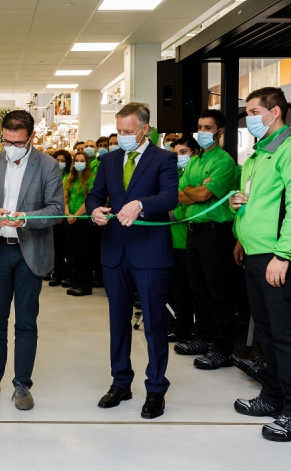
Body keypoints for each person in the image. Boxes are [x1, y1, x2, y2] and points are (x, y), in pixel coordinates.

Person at [230, 87, 291, 442]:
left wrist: (282, 255)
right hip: (257, 255)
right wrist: (240, 221)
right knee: (267, 333)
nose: (250, 117)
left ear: (275, 112)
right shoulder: (258, 156)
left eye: (255, 111)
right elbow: (261, 202)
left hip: (284, 258)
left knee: (289, 335)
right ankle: (273, 397)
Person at [87, 102, 178, 419]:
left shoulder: (164, 159)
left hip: (150, 252)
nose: (122, 137)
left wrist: (140, 203)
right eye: (119, 132)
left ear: (145, 130)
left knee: (153, 323)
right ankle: (120, 382)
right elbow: (95, 194)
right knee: (118, 322)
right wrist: (95, 210)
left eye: (128, 132)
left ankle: (155, 389)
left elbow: (169, 196)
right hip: (115, 251)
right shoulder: (109, 160)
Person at [0, 110, 64, 411]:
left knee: (26, 322)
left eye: (18, 142)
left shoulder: (48, 166)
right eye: (6, 141)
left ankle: (22, 384)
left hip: (29, 253)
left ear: (30, 138)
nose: (11, 147)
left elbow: (55, 210)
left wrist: (25, 218)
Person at [173, 110, 240, 369]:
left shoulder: (224, 162)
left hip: (216, 234)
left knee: (218, 291)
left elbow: (202, 195)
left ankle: (222, 348)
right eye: (199, 126)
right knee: (198, 288)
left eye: (207, 127)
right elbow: (181, 193)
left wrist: (195, 191)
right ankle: (203, 337)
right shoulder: (195, 161)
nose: (201, 132)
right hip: (194, 232)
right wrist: (196, 190)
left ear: (219, 131)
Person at [168, 137, 199, 342]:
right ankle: (182, 328)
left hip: (188, 239)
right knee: (178, 290)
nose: (179, 157)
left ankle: (194, 330)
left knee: (193, 289)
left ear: (194, 152)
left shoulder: (193, 177)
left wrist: (174, 212)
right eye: (176, 153)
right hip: (173, 240)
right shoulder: (175, 175)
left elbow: (188, 206)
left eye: (183, 152)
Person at [64, 151, 96, 296]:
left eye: (82, 160)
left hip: (83, 220)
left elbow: (89, 200)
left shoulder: (91, 179)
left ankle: (85, 285)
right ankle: (75, 281)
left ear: (86, 163)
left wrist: (75, 216)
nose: (79, 163)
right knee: (73, 252)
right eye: (77, 160)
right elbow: (64, 198)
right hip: (69, 219)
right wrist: (68, 214)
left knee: (84, 253)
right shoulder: (69, 179)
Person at [48, 149, 72, 287]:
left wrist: (63, 213)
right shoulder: (51, 175)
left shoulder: (69, 176)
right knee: (55, 247)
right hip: (53, 217)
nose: (60, 163)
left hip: (66, 216)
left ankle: (67, 274)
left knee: (67, 248)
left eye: (63, 161)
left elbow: (67, 197)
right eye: (57, 160)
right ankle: (56, 273)